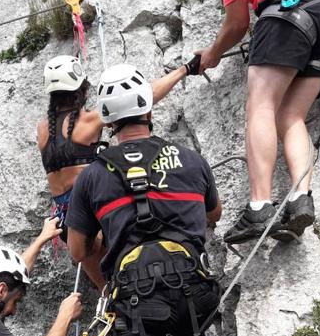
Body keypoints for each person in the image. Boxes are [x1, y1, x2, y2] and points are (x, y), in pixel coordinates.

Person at [163, 0, 320, 243]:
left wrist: (212, 54)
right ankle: (301, 199)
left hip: (294, 0)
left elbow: (237, 23)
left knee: (260, 105)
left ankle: (260, 206)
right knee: (290, 116)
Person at [65, 64, 222, 336]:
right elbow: (214, 214)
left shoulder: (91, 177)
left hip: (135, 306)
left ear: (109, 121)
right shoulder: (191, 160)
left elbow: (78, 251)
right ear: (148, 109)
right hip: (194, 298)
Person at [37, 55, 201, 289]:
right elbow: (141, 99)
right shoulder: (88, 122)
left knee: (107, 290)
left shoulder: (43, 129)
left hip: (65, 217)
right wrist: (184, 70)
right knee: (128, 273)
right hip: (93, 208)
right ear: (81, 89)